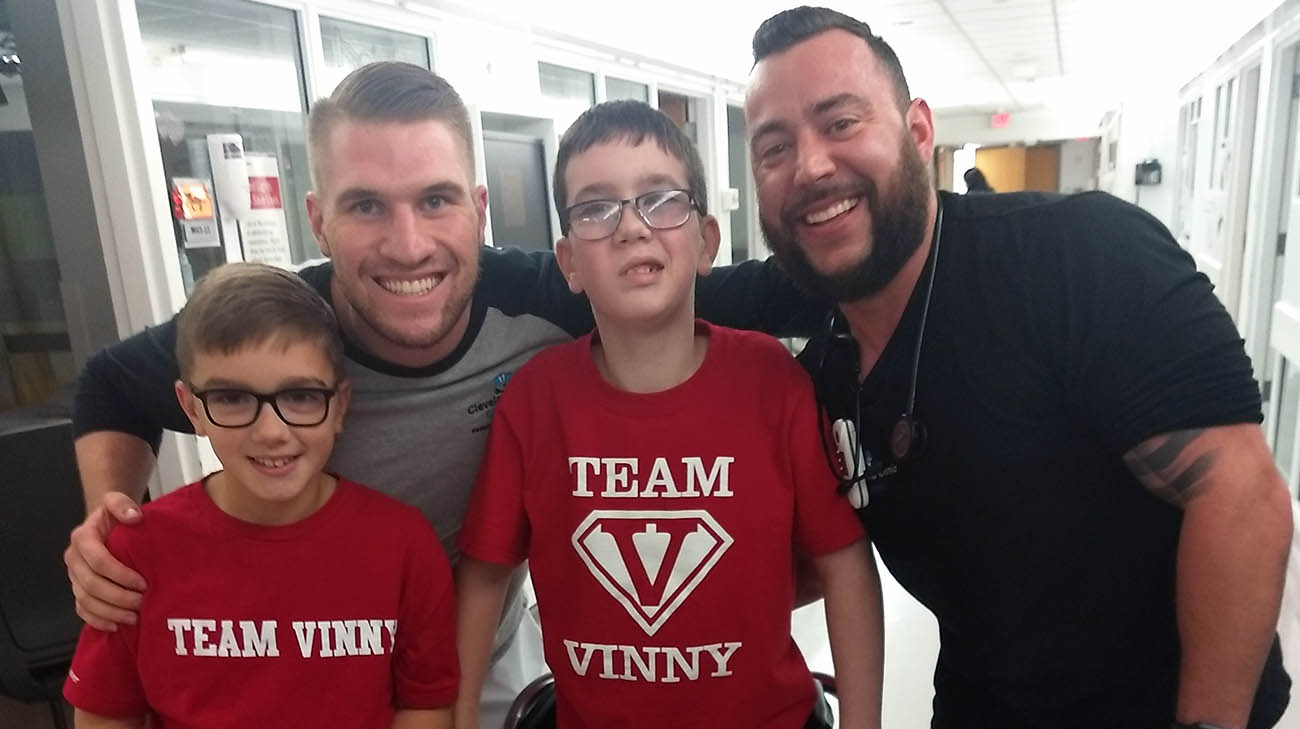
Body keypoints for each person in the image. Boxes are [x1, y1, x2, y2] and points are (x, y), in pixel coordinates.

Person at [730, 6, 1293, 728]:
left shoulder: (1074, 256)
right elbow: (647, 291)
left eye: (841, 122)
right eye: (774, 148)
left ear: (919, 131)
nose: (810, 166)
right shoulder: (826, 357)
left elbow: (1241, 493)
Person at [62, 62, 602, 729]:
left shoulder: (551, 298)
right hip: (293, 662)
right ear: (317, 220)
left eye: (436, 199)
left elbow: (717, 298)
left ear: (479, 210)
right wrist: (106, 530)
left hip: (476, 655)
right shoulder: (276, 339)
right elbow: (110, 384)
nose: (408, 246)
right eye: (366, 204)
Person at [453, 100, 883, 729]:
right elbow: (486, 581)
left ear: (706, 241)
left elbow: (845, 564)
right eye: (596, 208)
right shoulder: (536, 400)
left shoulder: (772, 383)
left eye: (660, 199)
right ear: (569, 262)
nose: (631, 227)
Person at [61, 263, 458, 729]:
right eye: (231, 398)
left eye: (302, 396)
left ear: (340, 405)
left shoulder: (403, 544)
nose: (271, 432)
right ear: (191, 407)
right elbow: (105, 715)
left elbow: (425, 704)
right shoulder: (137, 554)